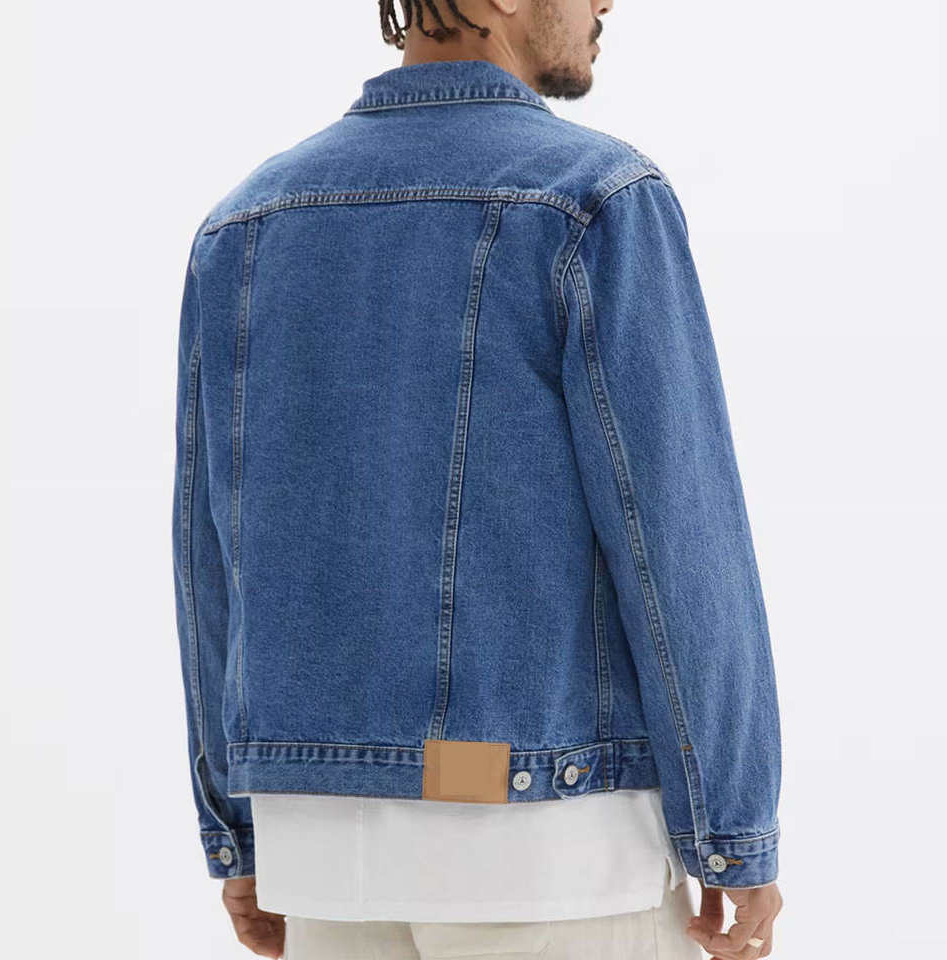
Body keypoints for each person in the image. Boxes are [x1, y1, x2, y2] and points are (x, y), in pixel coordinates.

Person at [171, 2, 785, 957]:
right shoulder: (593, 199)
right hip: (547, 844)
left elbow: (212, 558)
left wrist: (239, 831)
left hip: (322, 844)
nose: (604, 2)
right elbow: (676, 539)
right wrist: (734, 828)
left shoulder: (245, 221)